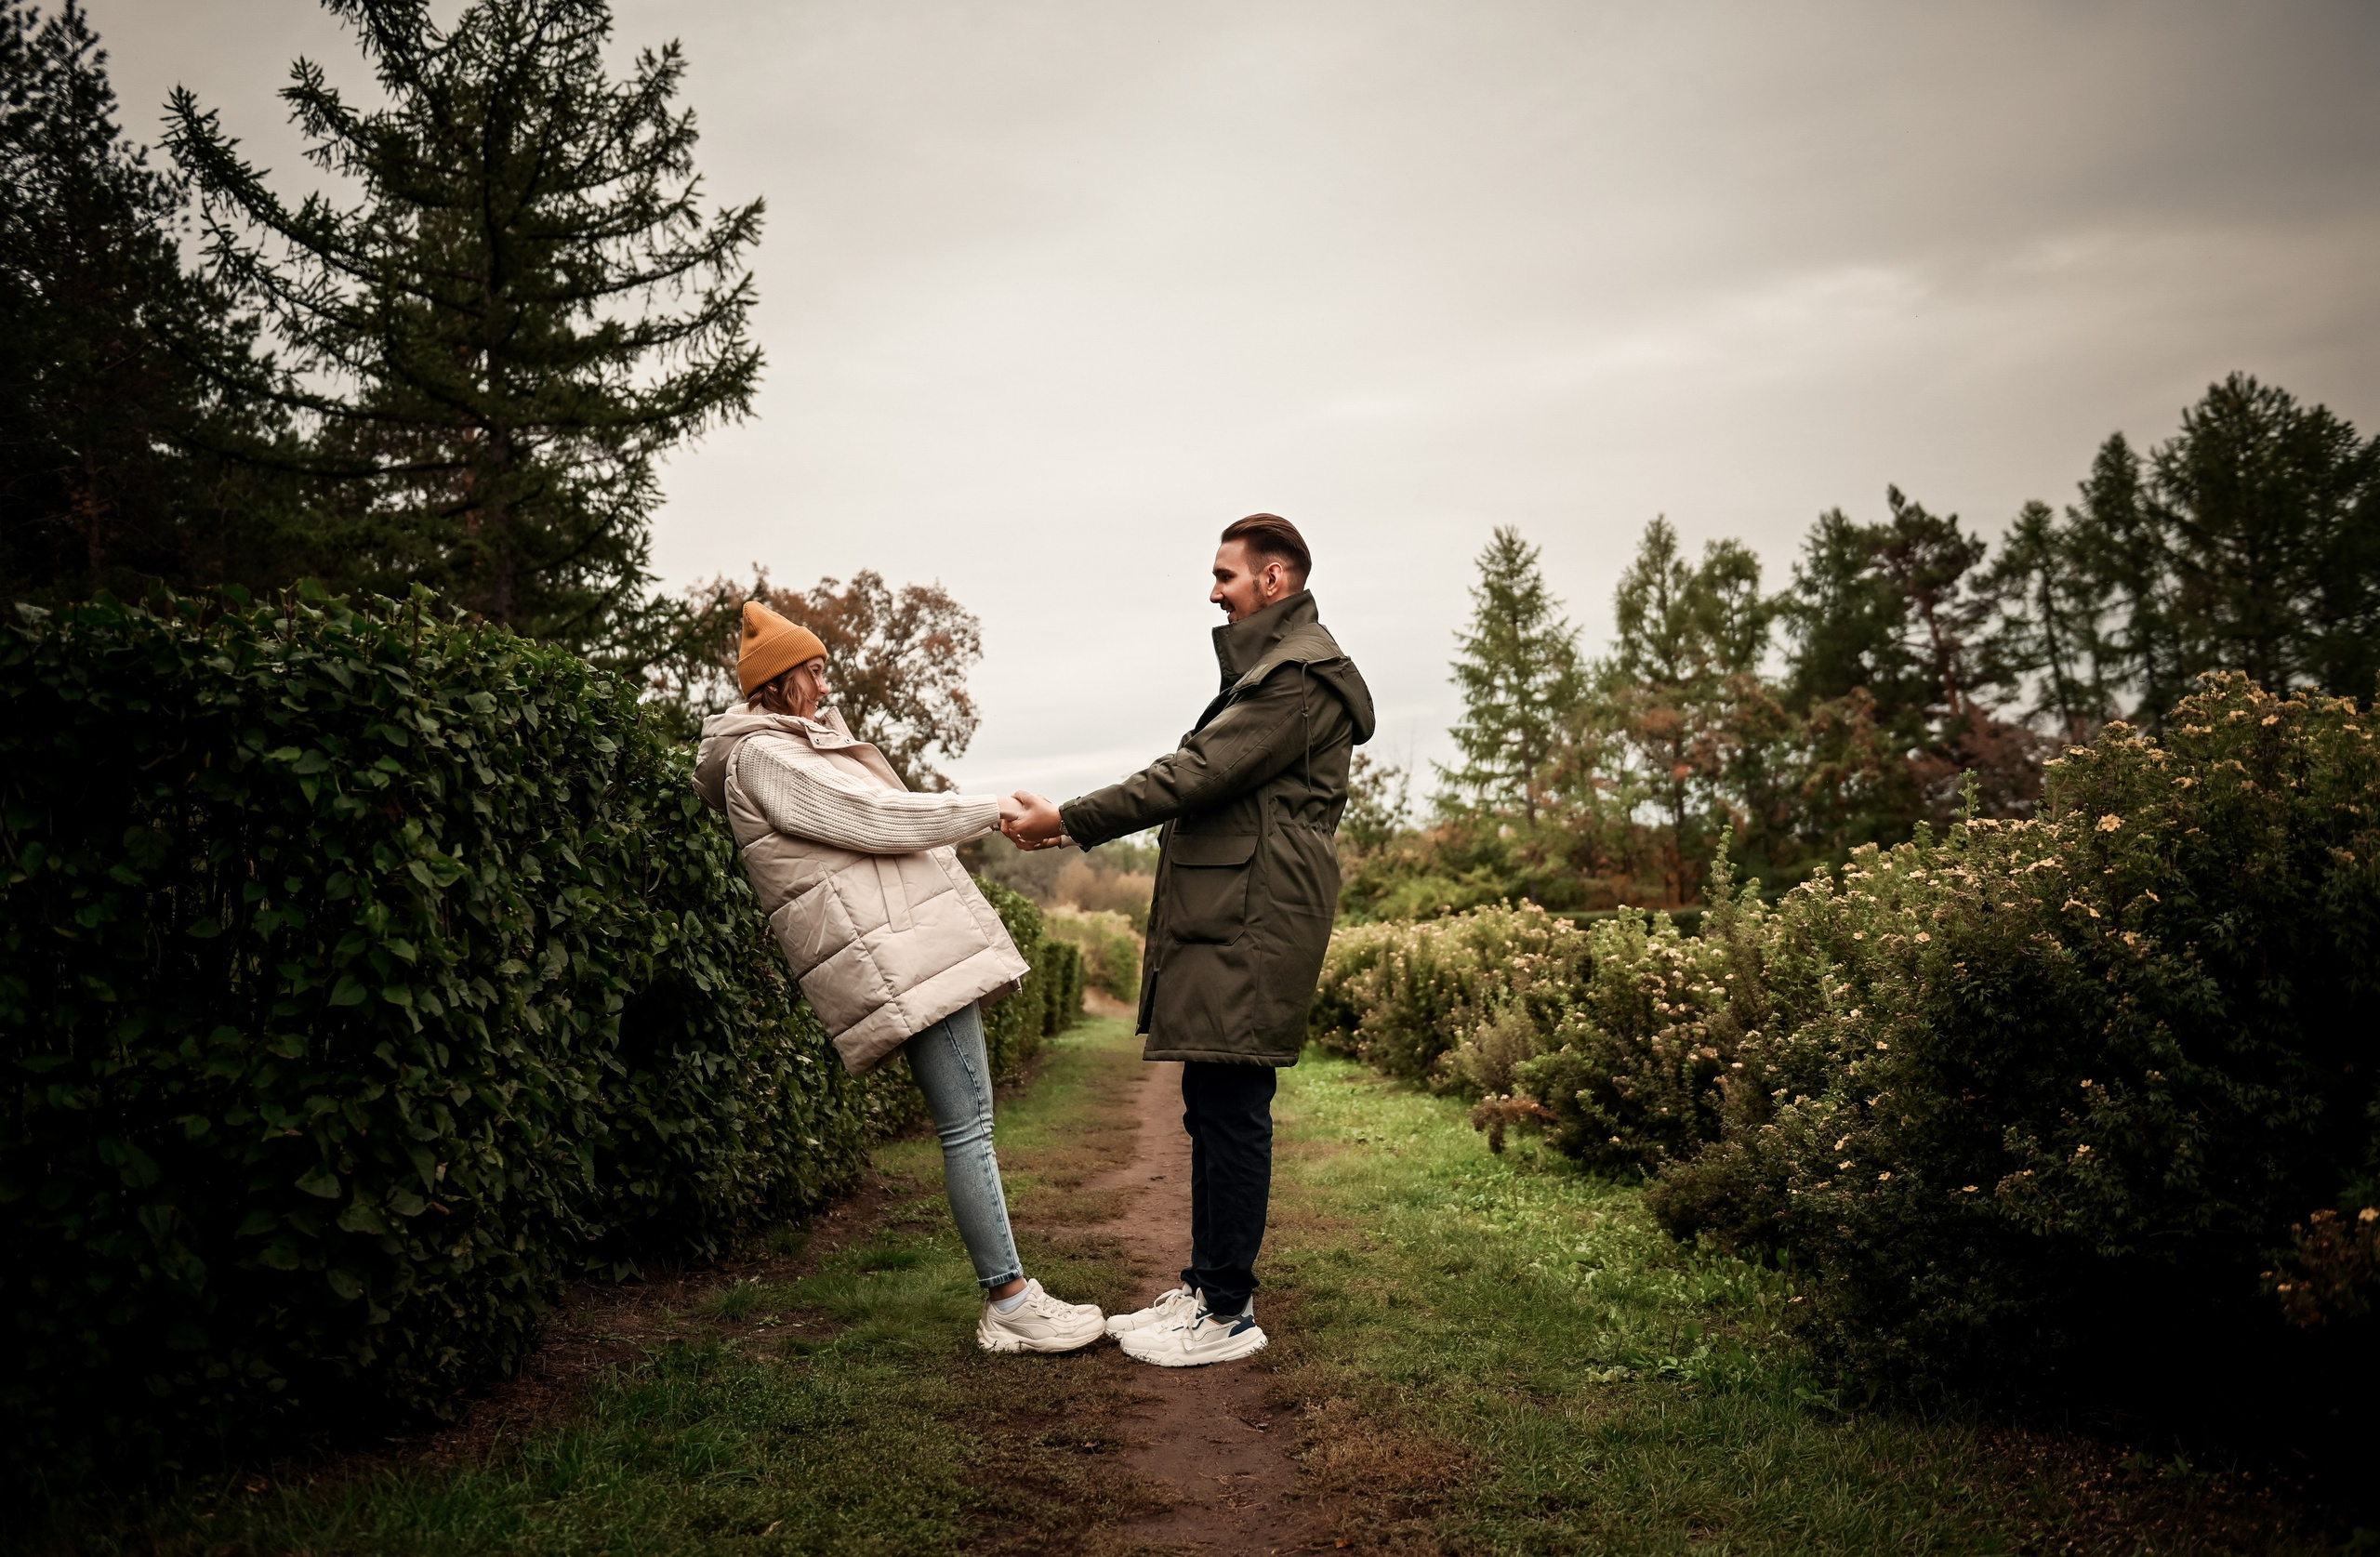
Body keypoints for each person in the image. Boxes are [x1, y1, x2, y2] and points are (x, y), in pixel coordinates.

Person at [1007, 514, 1374, 1366]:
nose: (1214, 592)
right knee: (1210, 1105)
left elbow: (1193, 774)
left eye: (1227, 576)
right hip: (1236, 911)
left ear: (1274, 580)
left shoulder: (1295, 679)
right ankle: (1208, 1286)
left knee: (1235, 1109)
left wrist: (1069, 818)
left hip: (1256, 917)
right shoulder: (1274, 672)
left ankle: (1229, 1314)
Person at [694, 600, 1105, 1354]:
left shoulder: (791, 745)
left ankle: (1011, 1294)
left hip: (907, 949)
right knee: (968, 1127)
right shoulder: (762, 758)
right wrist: (991, 808)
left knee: (971, 1123)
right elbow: (877, 819)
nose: (824, 684)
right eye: (812, 672)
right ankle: (1010, 1300)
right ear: (778, 680)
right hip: (897, 956)